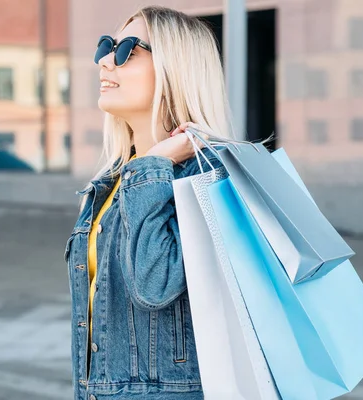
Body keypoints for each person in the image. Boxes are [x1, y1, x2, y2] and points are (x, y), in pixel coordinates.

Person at [64, 5, 236, 400]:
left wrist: (153, 165)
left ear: (176, 68)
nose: (106, 61)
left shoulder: (207, 174)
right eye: (106, 46)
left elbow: (153, 287)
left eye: (127, 49)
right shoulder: (110, 183)